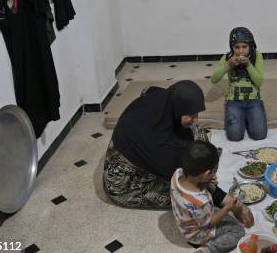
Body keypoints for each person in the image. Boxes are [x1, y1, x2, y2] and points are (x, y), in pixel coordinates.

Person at [103, 80, 254, 228]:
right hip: (124, 183)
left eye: (196, 113)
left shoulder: (162, 97)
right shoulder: (160, 145)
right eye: (190, 114)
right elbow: (192, 179)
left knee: (195, 133)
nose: (195, 118)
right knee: (192, 197)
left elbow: (148, 89)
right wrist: (233, 204)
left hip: (144, 145)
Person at [171, 141, 246, 253]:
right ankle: (206, 252)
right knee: (238, 231)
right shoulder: (201, 201)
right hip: (198, 234)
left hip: (186, 222)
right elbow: (209, 223)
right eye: (212, 172)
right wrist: (227, 208)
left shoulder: (177, 173)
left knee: (223, 214)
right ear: (206, 173)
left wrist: (205, 181)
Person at [210, 27, 267, 141]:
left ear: (250, 45)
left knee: (259, 135)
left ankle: (248, 118)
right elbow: (214, 79)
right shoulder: (227, 57)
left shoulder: (257, 56)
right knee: (234, 136)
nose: (241, 51)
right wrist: (228, 65)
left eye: (244, 47)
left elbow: (259, 81)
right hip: (234, 102)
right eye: (237, 47)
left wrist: (249, 65)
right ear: (232, 47)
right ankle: (242, 118)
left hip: (253, 101)